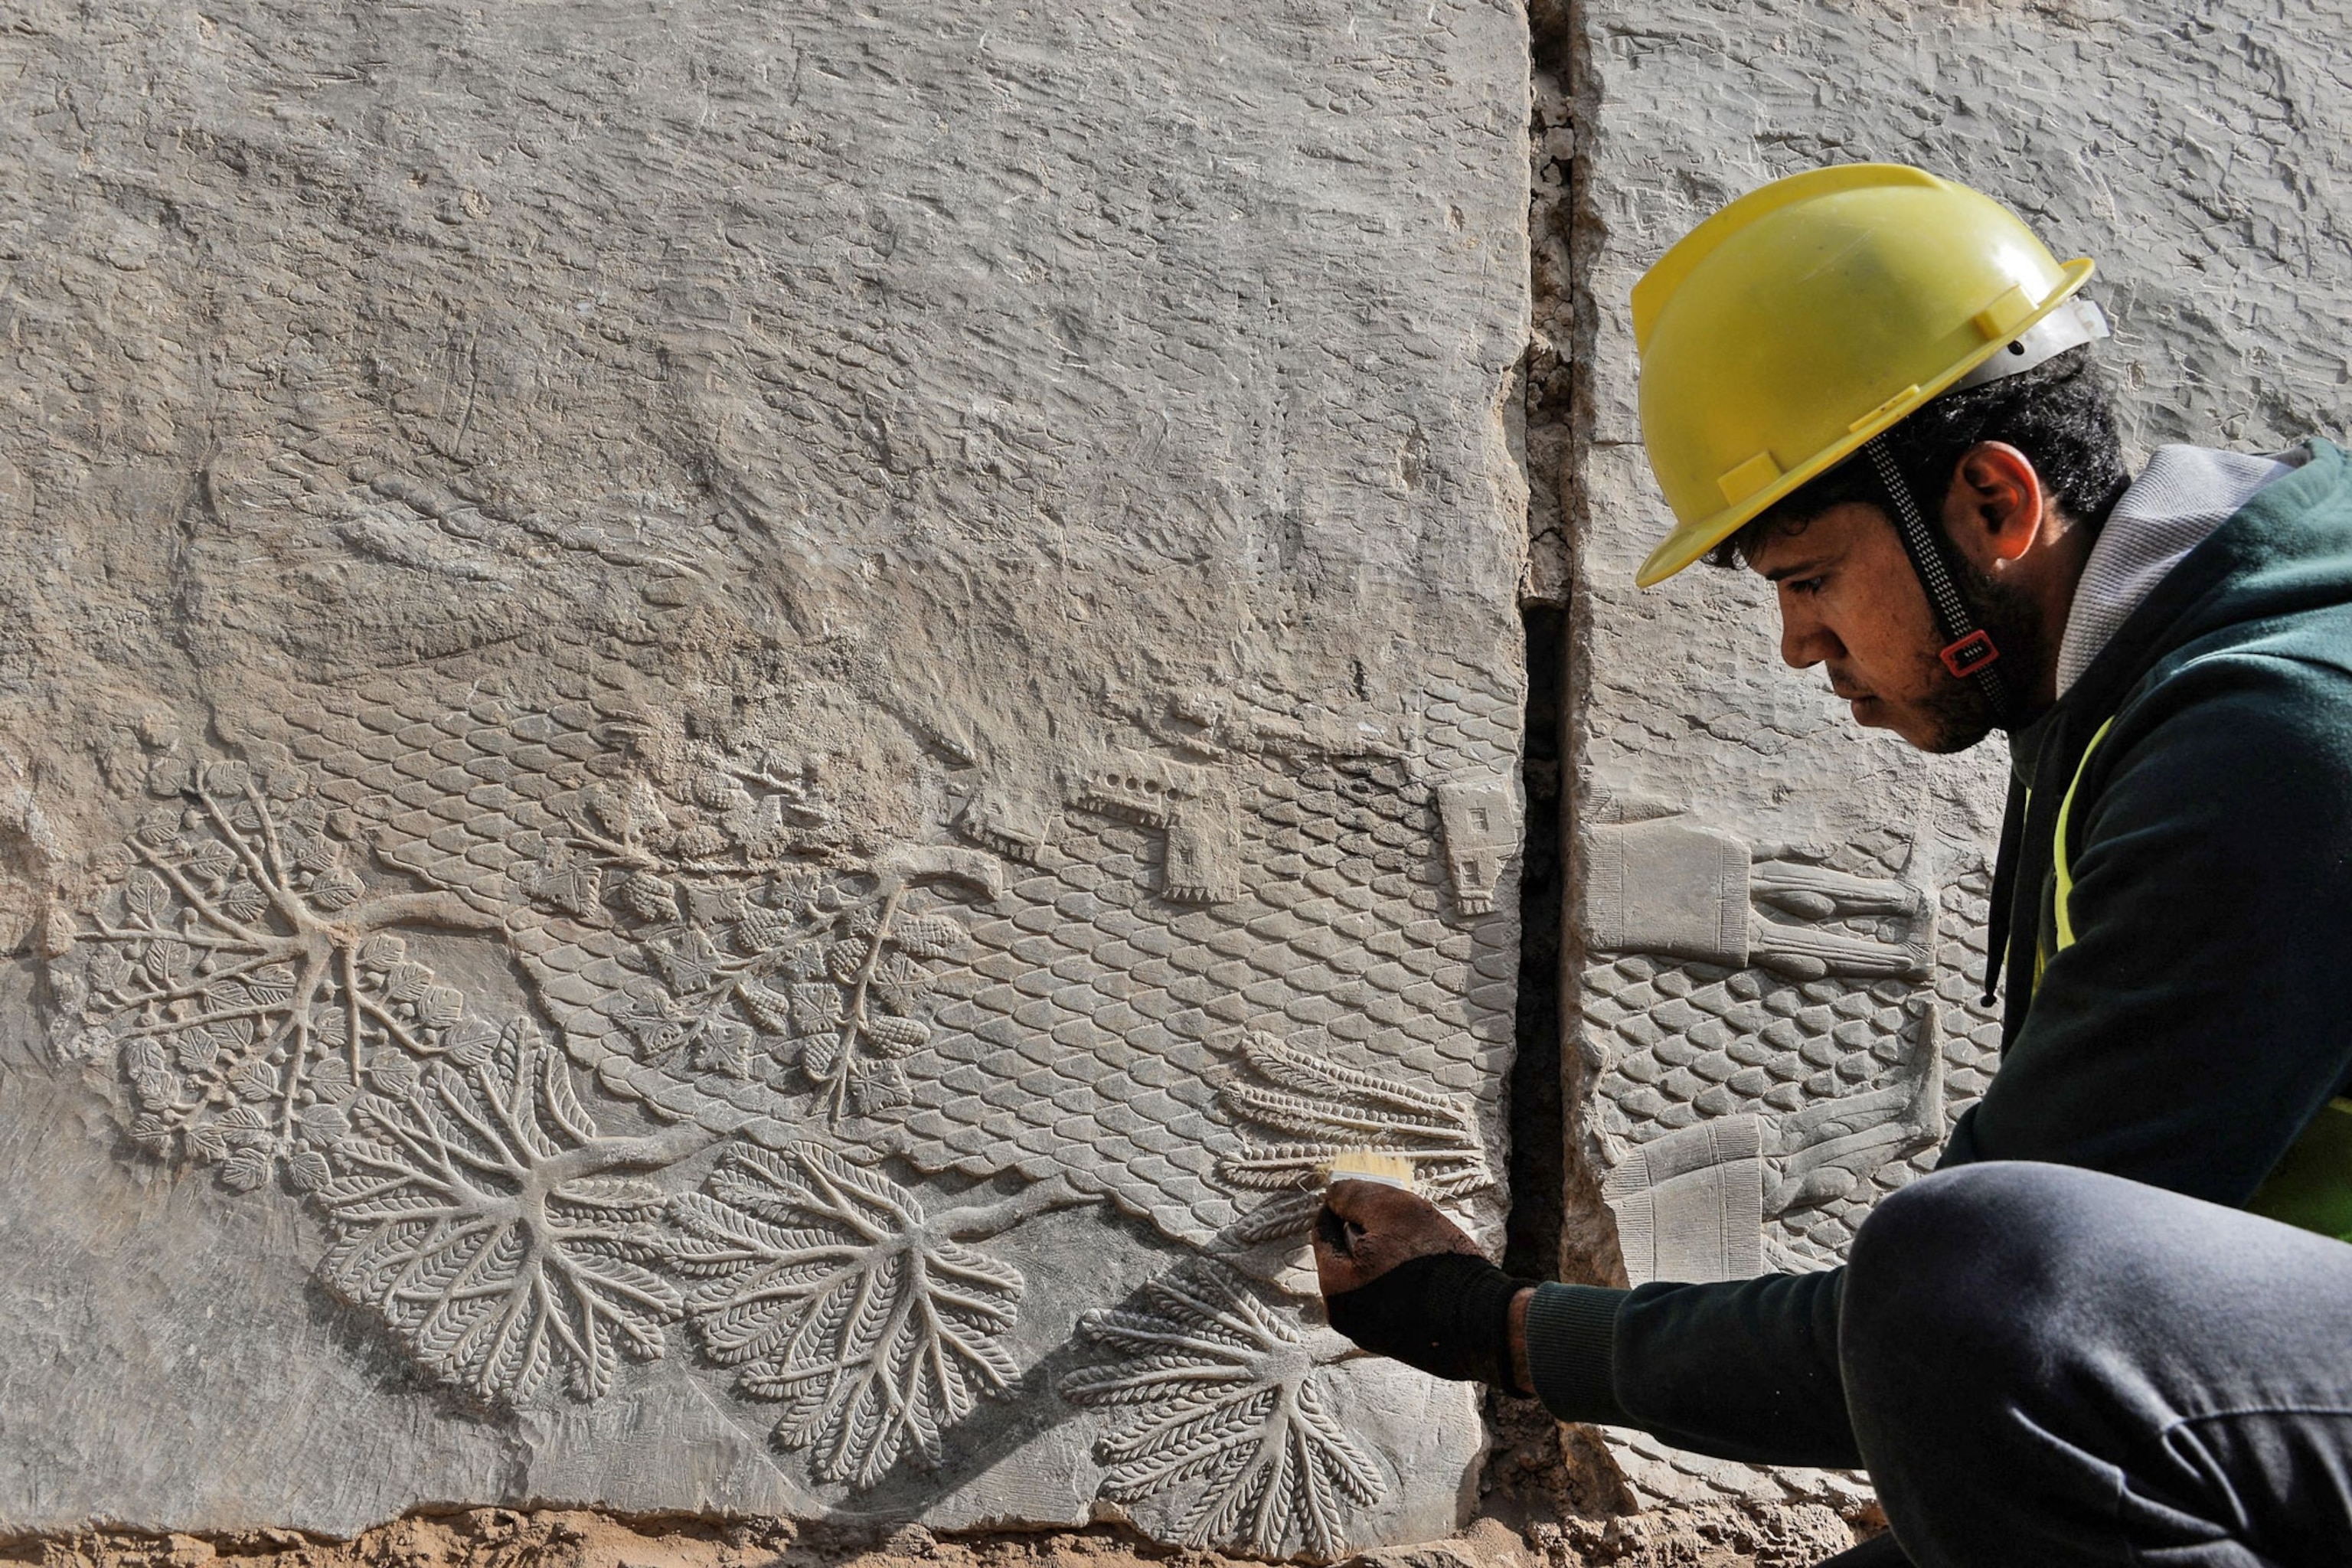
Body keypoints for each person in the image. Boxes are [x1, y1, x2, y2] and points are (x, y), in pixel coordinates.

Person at [1312, 165, 2352, 1566]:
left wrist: (1499, 1327)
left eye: (1807, 578)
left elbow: (1986, 1318)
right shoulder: (2137, 683)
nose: (1799, 645)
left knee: (1963, 1279)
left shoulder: (2272, 745)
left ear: (1991, 501)